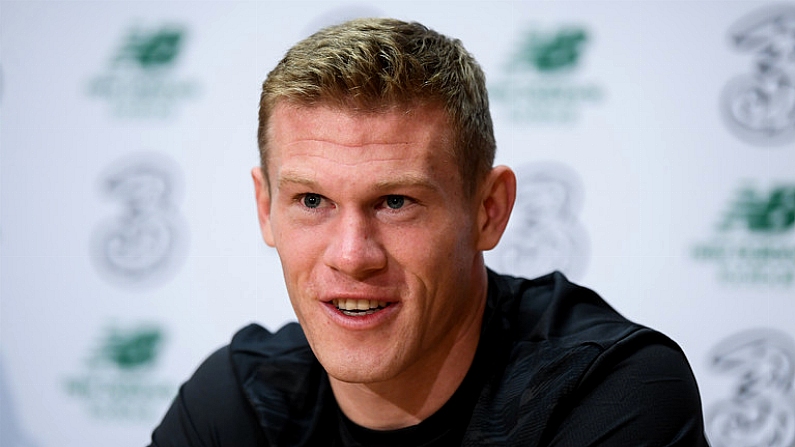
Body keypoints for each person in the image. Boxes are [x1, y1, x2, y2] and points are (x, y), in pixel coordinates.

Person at [149, 18, 709, 446]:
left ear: (489, 210)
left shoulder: (611, 391)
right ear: (266, 208)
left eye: (396, 202)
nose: (352, 255)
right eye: (312, 200)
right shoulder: (238, 403)